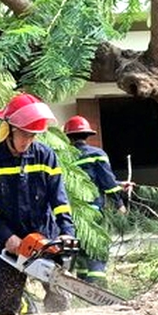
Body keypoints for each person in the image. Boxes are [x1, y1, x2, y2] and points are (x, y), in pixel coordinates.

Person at [0, 93, 75, 315]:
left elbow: (59, 199)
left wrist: (66, 230)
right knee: (6, 299)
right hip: (10, 239)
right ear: (10, 129)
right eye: (24, 134)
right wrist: (6, 236)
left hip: (44, 235)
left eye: (32, 136)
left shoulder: (45, 156)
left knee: (60, 296)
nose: (27, 141)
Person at [63, 115, 131, 285]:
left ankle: (81, 288)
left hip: (71, 214)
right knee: (97, 249)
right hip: (93, 211)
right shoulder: (97, 154)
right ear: (87, 135)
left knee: (79, 251)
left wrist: (120, 184)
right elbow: (106, 183)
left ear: (67, 136)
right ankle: (98, 288)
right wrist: (119, 203)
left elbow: (86, 180)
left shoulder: (64, 159)